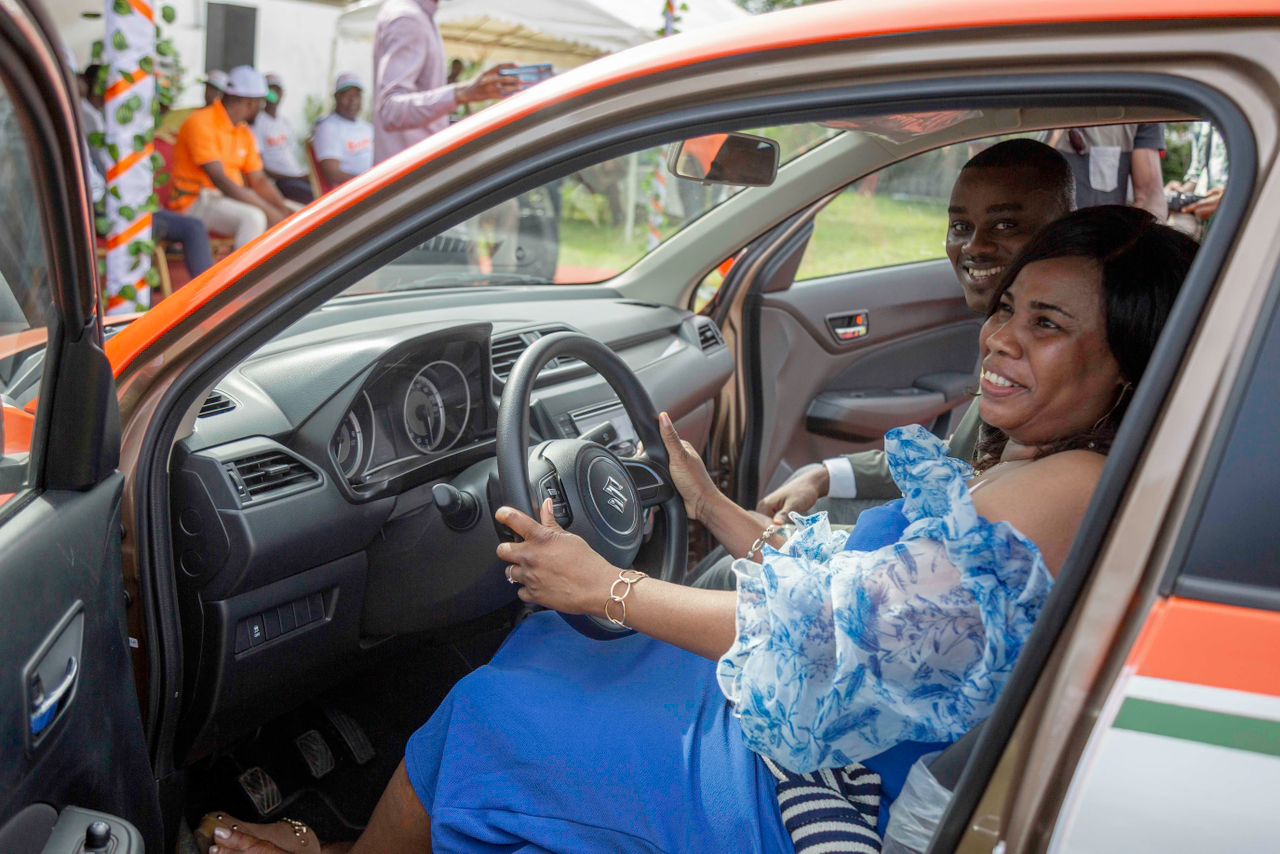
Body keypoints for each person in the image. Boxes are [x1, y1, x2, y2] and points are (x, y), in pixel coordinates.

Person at [199, 208, 1196, 854]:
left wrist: (608, 586)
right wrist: (716, 510)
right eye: (1009, 308)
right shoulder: (1047, 465)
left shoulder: (1062, 485)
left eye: (1048, 325)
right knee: (551, 640)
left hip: (806, 789)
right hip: (831, 723)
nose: (1000, 335)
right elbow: (886, 608)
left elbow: (831, 632)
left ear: (1128, 364)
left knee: (500, 703)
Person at [756, 139, 1075, 533]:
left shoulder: (1061, 366)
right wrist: (825, 474)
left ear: (1062, 229)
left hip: (957, 545)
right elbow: (964, 456)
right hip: (948, 528)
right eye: (960, 226)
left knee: (736, 558)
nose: (974, 245)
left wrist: (732, 520)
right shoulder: (1005, 330)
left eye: (1005, 225)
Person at [79, 65, 214, 279]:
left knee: (192, 227)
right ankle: (207, 294)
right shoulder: (86, 121)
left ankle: (208, 291)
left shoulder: (101, 121)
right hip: (105, 210)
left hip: (117, 202)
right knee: (190, 229)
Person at [372, 0, 525, 163]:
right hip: (411, 173)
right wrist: (463, 93)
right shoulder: (408, 18)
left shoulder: (418, 16)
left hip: (417, 170)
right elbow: (390, 110)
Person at [169, 66, 301, 249]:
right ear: (248, 103)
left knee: (301, 214)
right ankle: (246, 278)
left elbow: (259, 179)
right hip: (195, 201)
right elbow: (221, 180)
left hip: (229, 199)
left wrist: (282, 209)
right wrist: (270, 212)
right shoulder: (200, 122)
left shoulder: (243, 131)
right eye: (260, 103)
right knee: (254, 218)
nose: (261, 110)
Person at [1050, 124, 1168, 220]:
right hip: (1055, 240)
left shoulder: (1140, 104)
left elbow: (1149, 195)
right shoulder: (1049, 101)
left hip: (1108, 238)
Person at [252, 73, 314, 204]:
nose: (273, 94)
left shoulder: (284, 122)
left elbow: (292, 154)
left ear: (282, 93)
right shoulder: (257, 122)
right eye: (270, 89)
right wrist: (296, 177)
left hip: (296, 176)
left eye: (277, 89)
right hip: (280, 181)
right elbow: (261, 168)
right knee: (312, 197)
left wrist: (302, 175)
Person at [311, 73, 374, 189]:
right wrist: (369, 183)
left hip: (376, 184)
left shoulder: (367, 127)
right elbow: (333, 174)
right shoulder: (328, 128)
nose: (353, 101)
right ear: (336, 97)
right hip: (354, 191)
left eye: (357, 95)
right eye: (347, 96)